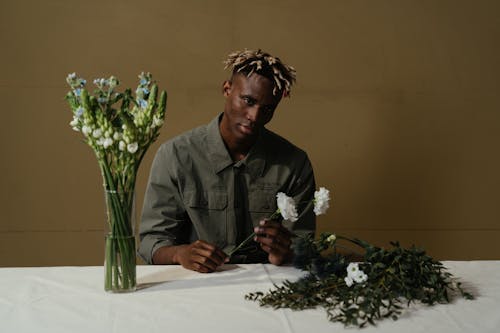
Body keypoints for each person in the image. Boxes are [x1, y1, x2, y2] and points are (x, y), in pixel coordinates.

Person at [138, 49, 316, 272]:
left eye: (267, 108)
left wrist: (288, 251)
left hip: (269, 289)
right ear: (227, 89)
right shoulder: (175, 156)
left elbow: (304, 246)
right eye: (248, 100)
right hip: (196, 287)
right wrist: (180, 254)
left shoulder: (294, 164)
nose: (255, 116)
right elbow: (150, 241)